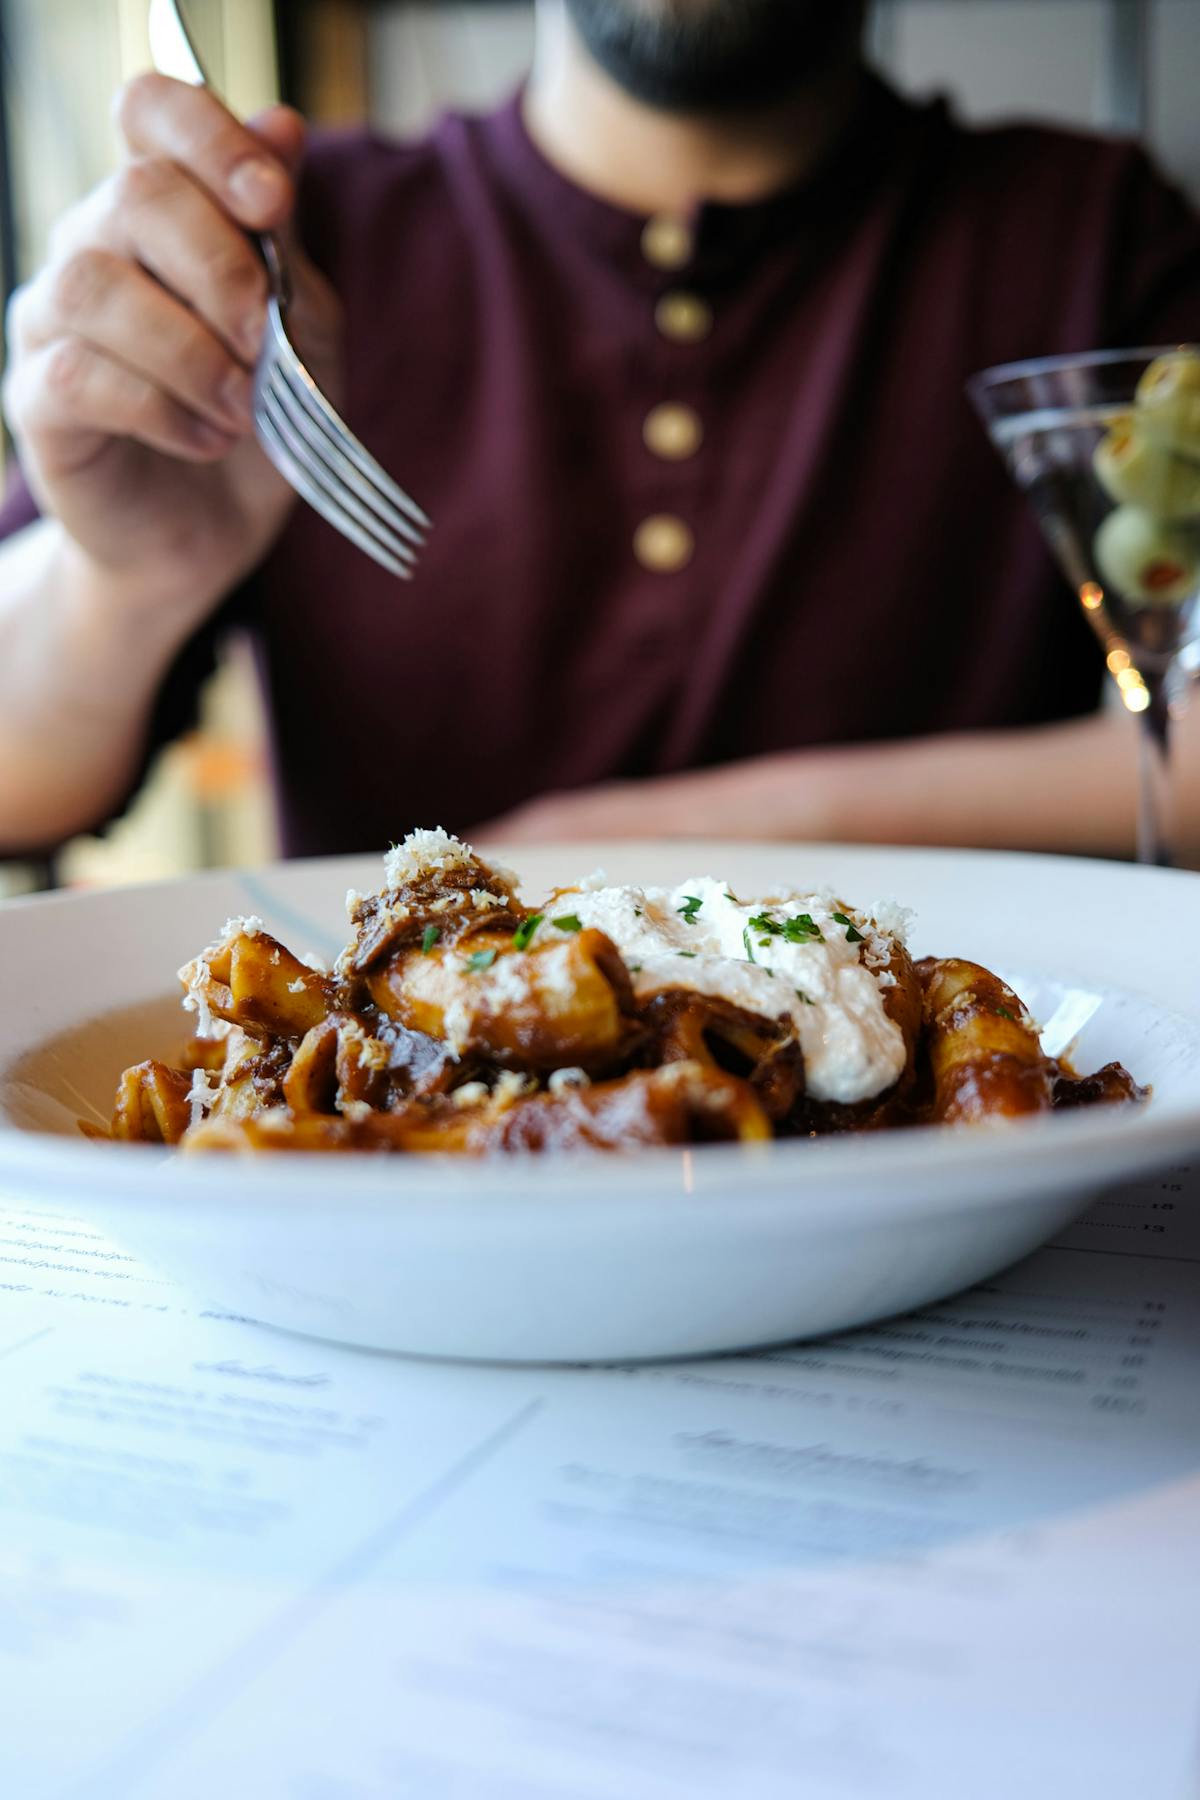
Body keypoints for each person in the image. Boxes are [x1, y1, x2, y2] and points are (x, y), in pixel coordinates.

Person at [1, 0, 1199, 865]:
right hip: (380, 1184)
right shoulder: (293, 251)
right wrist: (124, 580)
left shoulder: (1095, 234)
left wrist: (653, 840)